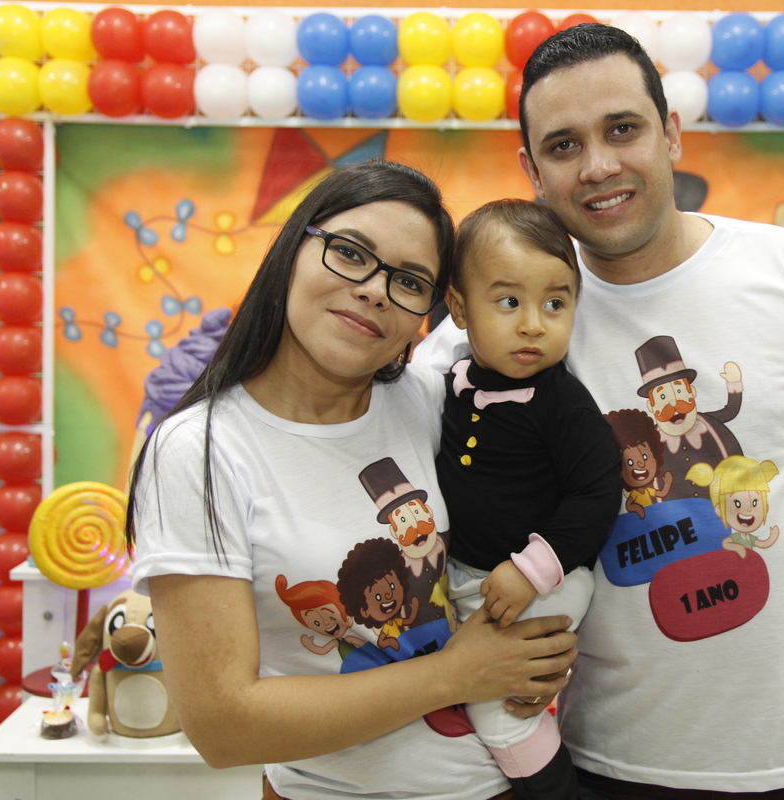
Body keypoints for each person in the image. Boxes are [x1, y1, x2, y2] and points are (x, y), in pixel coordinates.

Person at [415, 24, 784, 800]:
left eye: (622, 129)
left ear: (671, 134)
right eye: (563, 145)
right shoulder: (494, 335)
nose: (598, 166)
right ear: (531, 170)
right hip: (609, 765)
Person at [126, 160, 577, 800]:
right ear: (293, 249)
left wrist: (542, 641)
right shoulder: (200, 449)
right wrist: (457, 674)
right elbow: (222, 727)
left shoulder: (431, 401)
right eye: (350, 253)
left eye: (409, 281)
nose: (374, 290)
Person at [436, 199, 622, 799]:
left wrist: (531, 570)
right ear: (458, 308)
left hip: (545, 579)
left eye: (555, 304)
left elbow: (598, 492)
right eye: (509, 302)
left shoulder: (560, 402)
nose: (534, 325)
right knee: (462, 688)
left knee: (501, 716)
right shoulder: (454, 381)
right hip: (476, 578)